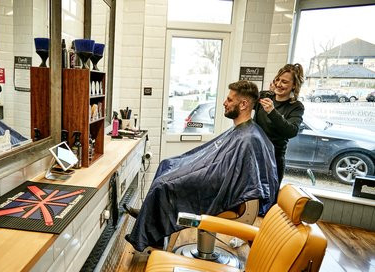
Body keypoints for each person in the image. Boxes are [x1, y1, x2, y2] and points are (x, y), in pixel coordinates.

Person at [124, 80, 279, 252]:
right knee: (167, 165)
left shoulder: (248, 138)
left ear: (243, 104)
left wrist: (193, 175)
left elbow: (235, 178)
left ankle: (150, 223)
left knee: (164, 185)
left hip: (227, 194)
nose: (224, 103)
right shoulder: (243, 131)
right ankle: (150, 218)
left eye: (229, 99)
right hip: (219, 182)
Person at [254, 63, 305, 185]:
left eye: (284, 82)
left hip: (274, 160)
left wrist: (272, 111)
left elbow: (291, 131)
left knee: (269, 200)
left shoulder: (296, 107)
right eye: (277, 79)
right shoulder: (264, 96)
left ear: (294, 85)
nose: (278, 84)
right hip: (254, 156)